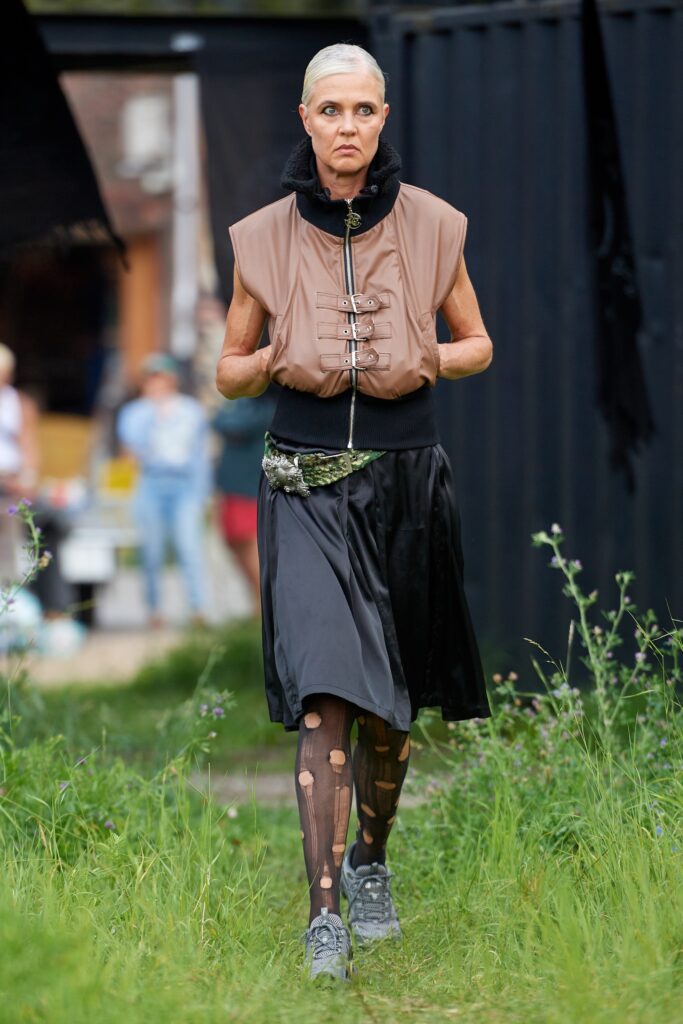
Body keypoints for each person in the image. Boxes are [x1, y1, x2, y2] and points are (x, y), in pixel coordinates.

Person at [216, 43, 494, 981]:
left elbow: (477, 344)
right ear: (305, 119)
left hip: (405, 482)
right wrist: (272, 357)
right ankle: (323, 915)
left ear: (382, 119)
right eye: (330, 110)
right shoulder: (261, 237)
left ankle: (371, 863)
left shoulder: (433, 225)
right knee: (326, 692)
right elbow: (228, 370)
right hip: (303, 483)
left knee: (391, 706)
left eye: (362, 110)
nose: (347, 126)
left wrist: (421, 350)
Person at [117, 353, 209, 628]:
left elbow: (200, 456)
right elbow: (130, 450)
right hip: (150, 483)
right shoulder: (134, 412)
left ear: (172, 380)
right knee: (151, 550)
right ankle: (154, 609)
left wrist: (203, 493)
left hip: (184, 485)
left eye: (161, 378)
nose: (156, 383)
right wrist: (153, 414)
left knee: (189, 546)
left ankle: (198, 608)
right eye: (151, 378)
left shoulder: (191, 410)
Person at [211, 393, 275, 614]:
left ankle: (265, 604)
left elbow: (232, 425)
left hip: (251, 486)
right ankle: (257, 600)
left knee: (250, 543)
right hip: (230, 486)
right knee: (232, 542)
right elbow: (219, 421)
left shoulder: (268, 404)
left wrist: (225, 419)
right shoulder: (241, 400)